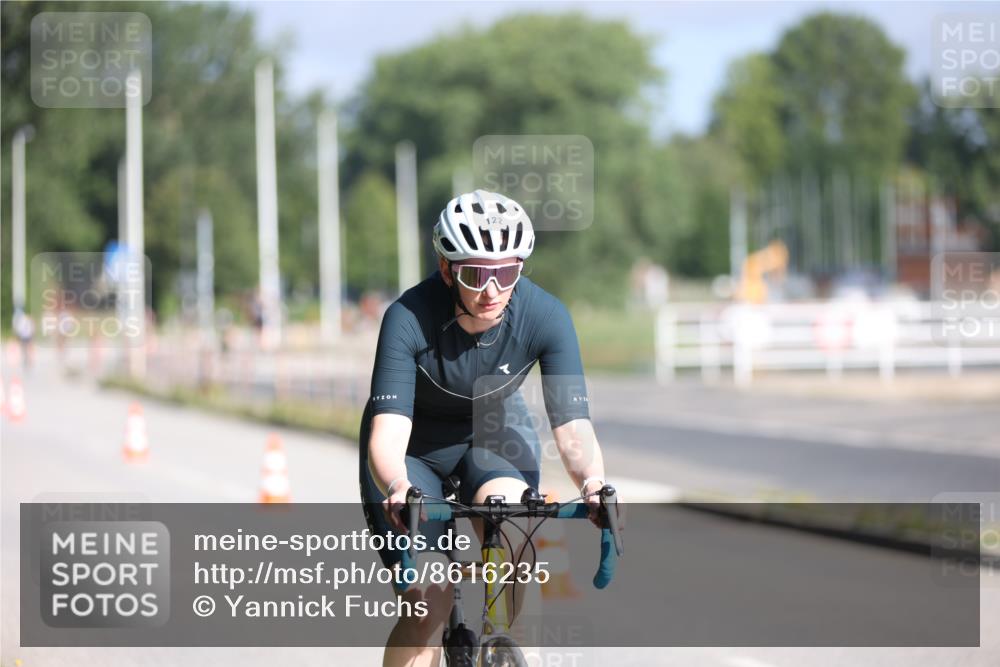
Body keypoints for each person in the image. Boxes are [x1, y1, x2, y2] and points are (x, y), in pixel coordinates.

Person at [359, 189, 613, 667]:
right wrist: (396, 485)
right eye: (476, 274)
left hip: (492, 433)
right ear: (446, 268)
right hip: (413, 449)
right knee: (429, 598)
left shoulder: (545, 315)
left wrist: (593, 483)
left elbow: (573, 427)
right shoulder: (407, 318)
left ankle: (513, 652)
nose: (492, 289)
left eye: (507, 273)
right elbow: (388, 430)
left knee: (517, 544)